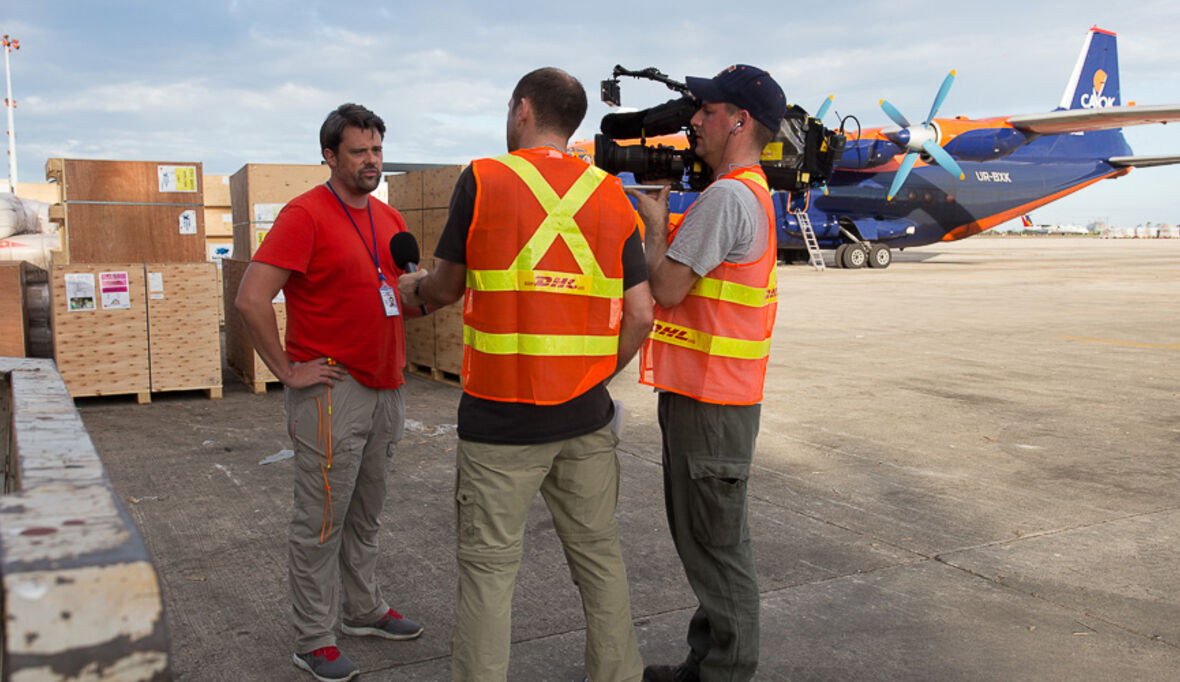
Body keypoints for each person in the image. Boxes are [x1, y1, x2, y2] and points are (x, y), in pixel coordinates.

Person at [398, 67, 652, 682]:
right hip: (586, 419)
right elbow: (642, 313)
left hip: (500, 421)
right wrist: (594, 376)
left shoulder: (485, 178)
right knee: (599, 559)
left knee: (489, 573)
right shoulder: (612, 195)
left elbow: (448, 285)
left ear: (521, 110)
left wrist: (415, 292)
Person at [235, 103, 424, 682]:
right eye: (360, 152)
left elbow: (404, 293)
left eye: (377, 151)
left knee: (366, 512)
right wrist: (290, 372)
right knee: (320, 520)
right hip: (332, 390)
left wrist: (432, 289)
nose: (372, 161)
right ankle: (313, 638)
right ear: (330, 156)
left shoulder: (390, 221)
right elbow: (250, 297)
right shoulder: (305, 215)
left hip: (387, 385)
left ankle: (363, 609)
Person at [627, 65, 786, 682]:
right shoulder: (749, 192)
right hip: (712, 396)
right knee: (706, 540)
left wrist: (655, 224)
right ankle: (708, 659)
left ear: (739, 121)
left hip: (713, 403)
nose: (694, 120)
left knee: (717, 548)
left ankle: (726, 671)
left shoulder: (727, 197)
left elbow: (665, 289)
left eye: (708, 110)